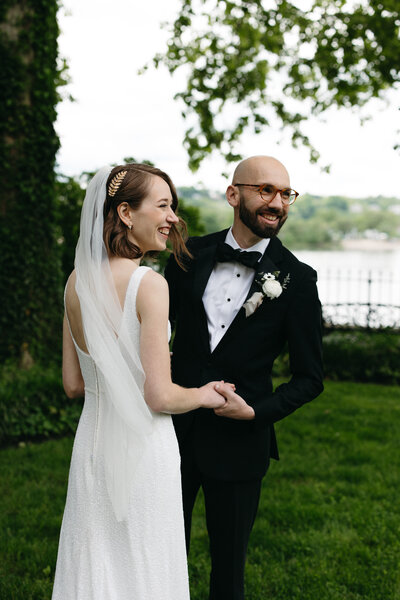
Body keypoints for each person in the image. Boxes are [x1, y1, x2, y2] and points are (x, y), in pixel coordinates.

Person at [52, 163, 228, 600]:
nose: (173, 218)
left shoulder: (76, 281)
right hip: (145, 451)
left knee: (93, 561)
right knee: (145, 565)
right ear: (126, 213)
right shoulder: (149, 284)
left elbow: (74, 384)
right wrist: (205, 395)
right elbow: (159, 395)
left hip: (91, 446)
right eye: (163, 205)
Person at [165, 155, 324, 600]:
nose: (278, 203)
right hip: (170, 433)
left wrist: (256, 411)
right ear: (234, 194)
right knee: (155, 552)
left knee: (229, 571)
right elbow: (158, 337)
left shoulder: (298, 279)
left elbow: (311, 378)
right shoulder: (188, 256)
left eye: (286, 194)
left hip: (239, 446)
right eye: (265, 190)